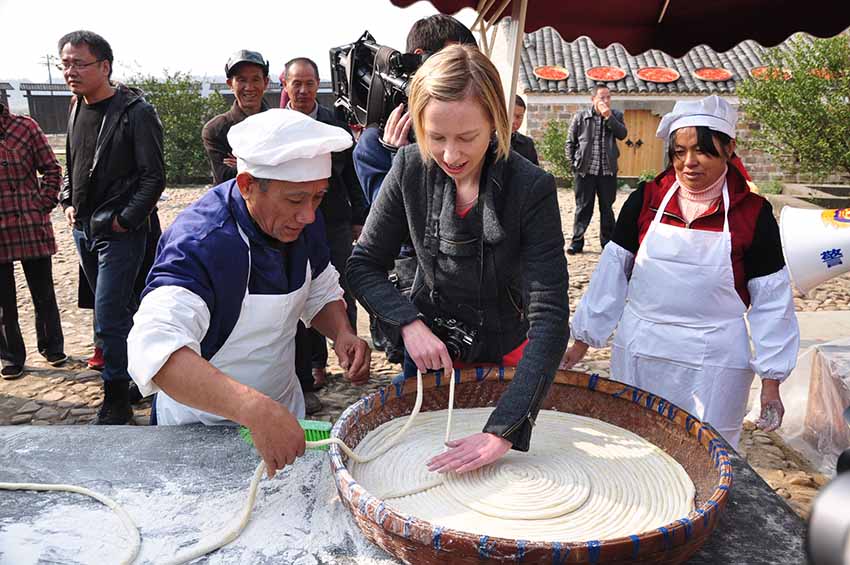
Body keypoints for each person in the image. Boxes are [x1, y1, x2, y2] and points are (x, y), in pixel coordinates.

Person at [347, 45, 570, 474]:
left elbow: (550, 315)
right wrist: (407, 323)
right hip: (431, 349)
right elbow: (362, 264)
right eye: (436, 137)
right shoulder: (409, 168)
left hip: (508, 351)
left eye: (467, 138)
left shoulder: (531, 188)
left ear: (496, 123)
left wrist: (506, 427)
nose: (450, 155)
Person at [128, 109, 370, 476]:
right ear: (247, 185)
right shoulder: (201, 241)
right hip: (201, 427)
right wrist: (252, 409)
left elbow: (319, 288)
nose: (307, 215)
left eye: (318, 197)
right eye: (295, 200)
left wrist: (342, 332)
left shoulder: (304, 218)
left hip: (284, 414)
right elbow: (156, 350)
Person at [563, 95, 799, 448]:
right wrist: (579, 344)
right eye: (679, 152)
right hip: (642, 348)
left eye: (702, 151)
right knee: (635, 445)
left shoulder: (753, 214)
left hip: (714, 359)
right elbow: (611, 275)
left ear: (729, 149)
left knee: (709, 451)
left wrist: (771, 383)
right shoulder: (647, 198)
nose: (689, 163)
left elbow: (772, 300)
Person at [352, 13, 478, 378]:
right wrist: (399, 161)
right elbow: (391, 231)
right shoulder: (377, 145)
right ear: (421, 60)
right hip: (419, 295)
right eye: (453, 61)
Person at [58, 30, 165, 425]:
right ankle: (139, 374)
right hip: (83, 229)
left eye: (79, 63)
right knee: (124, 310)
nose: (70, 71)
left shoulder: (135, 112)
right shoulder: (75, 106)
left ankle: (116, 397)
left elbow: (153, 178)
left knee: (108, 315)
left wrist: (124, 220)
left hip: (120, 232)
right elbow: (72, 163)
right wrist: (67, 201)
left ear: (104, 66)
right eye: (65, 63)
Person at [282, 57, 368, 412]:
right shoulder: (277, 126)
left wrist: (359, 216)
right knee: (300, 290)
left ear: (319, 85)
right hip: (289, 223)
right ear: (285, 85)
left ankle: (346, 347)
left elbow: (351, 174)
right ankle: (313, 364)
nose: (302, 91)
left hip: (332, 219)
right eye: (295, 84)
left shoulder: (335, 124)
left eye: (309, 83)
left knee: (338, 286)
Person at [0, 101, 66, 379]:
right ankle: (10, 356)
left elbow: (52, 168)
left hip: (30, 223)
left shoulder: (24, 127)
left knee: (43, 293)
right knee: (2, 301)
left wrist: (43, 202)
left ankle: (52, 346)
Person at [564, 84, 627, 255]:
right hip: (585, 171)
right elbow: (570, 142)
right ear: (593, 100)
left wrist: (609, 117)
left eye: (608, 97)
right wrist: (574, 165)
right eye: (602, 97)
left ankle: (607, 243)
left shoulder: (616, 115)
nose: (605, 101)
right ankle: (577, 242)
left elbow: (622, 134)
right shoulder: (580, 117)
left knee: (607, 208)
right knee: (582, 208)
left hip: (607, 171)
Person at [202, 50, 270, 185]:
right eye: (241, 80)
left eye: (255, 79)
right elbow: (224, 177)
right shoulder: (216, 129)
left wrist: (242, 163)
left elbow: (290, 170)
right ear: (230, 84)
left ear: (266, 82)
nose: (249, 87)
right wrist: (268, 161)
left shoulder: (279, 123)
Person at [510, 95, 539, 165]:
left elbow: (535, 173)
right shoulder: (488, 141)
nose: (514, 121)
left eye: (518, 117)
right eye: (510, 115)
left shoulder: (528, 144)